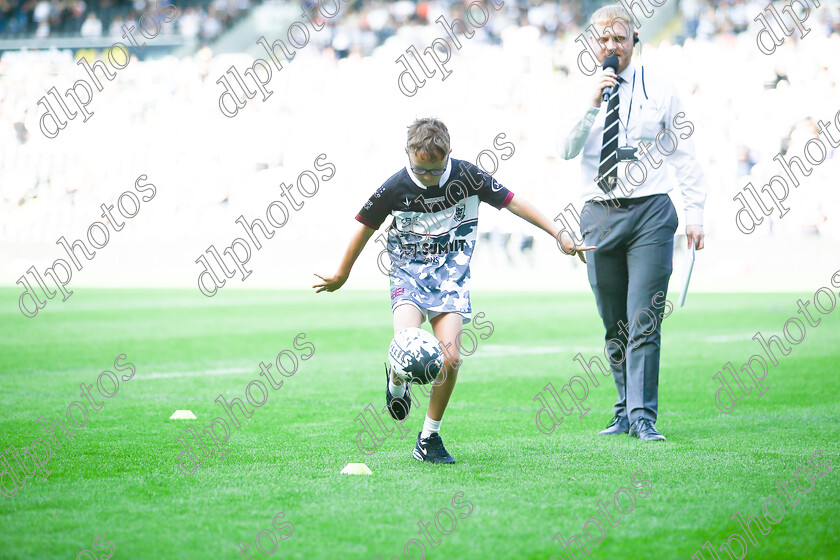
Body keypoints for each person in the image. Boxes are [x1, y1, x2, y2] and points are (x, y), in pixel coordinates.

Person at [314, 117, 593, 463]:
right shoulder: (395, 187)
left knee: (451, 358)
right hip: (408, 276)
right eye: (420, 170)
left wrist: (558, 234)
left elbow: (515, 203)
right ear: (407, 154)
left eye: (435, 170)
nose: (428, 178)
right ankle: (397, 382)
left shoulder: (467, 176)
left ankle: (429, 438)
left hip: (450, 277)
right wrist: (342, 274)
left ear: (449, 155)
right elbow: (364, 229)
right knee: (408, 346)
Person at [559, 5, 706, 441]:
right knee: (613, 322)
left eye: (619, 39)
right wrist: (590, 102)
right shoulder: (577, 91)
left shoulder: (661, 87)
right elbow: (565, 149)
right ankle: (623, 408)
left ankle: (643, 416)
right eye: (603, 40)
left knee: (643, 318)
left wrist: (696, 212)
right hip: (599, 212)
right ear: (593, 44)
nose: (611, 47)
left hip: (650, 212)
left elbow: (684, 152)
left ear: (634, 39)